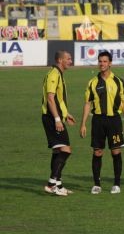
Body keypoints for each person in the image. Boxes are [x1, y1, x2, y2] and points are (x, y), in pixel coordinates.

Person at [80, 51, 124, 195]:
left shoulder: (119, 81)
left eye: (104, 61)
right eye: (100, 61)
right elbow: (87, 104)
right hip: (98, 120)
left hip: (114, 120)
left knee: (116, 151)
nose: (102, 64)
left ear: (110, 63)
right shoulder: (92, 82)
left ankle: (117, 184)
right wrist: (83, 123)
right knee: (97, 151)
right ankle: (97, 184)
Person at [41, 51, 76, 196]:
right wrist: (57, 119)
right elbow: (50, 98)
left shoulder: (58, 74)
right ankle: (51, 184)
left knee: (57, 151)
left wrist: (65, 114)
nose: (71, 61)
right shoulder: (54, 75)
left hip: (54, 116)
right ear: (60, 60)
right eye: (68, 59)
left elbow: (59, 99)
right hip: (51, 117)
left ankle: (58, 185)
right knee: (66, 150)